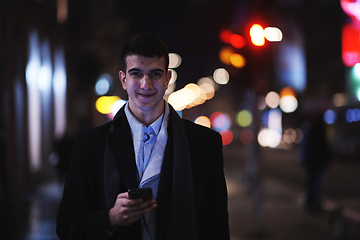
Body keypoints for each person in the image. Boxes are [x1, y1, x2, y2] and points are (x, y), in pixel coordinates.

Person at [56, 34, 230, 240]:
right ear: (123, 79)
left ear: (167, 80)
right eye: (136, 73)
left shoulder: (205, 143)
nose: (145, 84)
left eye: (155, 74)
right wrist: (110, 218)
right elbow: (66, 226)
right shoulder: (90, 144)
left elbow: (217, 227)